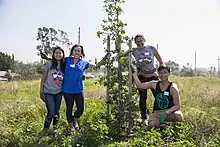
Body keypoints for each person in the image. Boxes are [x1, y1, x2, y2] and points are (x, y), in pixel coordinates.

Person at [123, 34, 164, 125]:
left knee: (158, 96)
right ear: (135, 43)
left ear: (144, 40)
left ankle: (158, 116)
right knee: (142, 97)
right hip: (141, 76)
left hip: (153, 75)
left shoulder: (151, 48)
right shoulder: (134, 50)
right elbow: (123, 56)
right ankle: (144, 118)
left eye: (141, 41)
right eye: (137, 41)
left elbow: (160, 60)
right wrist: (129, 51)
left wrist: (162, 70)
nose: (140, 43)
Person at [62, 44, 89, 133]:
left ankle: (74, 120)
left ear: (81, 53)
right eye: (75, 50)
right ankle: (71, 126)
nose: (77, 52)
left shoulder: (84, 63)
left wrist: (104, 59)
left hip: (79, 89)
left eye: (79, 51)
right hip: (67, 89)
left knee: (81, 108)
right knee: (69, 108)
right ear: (72, 52)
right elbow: (56, 61)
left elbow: (96, 66)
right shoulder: (66, 60)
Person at [39, 46, 65, 138]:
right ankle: (45, 129)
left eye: (60, 53)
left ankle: (55, 129)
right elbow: (43, 78)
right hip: (48, 92)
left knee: (57, 112)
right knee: (51, 112)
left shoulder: (64, 65)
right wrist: (41, 90)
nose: (58, 54)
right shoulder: (48, 64)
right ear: (53, 54)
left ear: (63, 55)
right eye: (56, 53)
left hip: (59, 92)